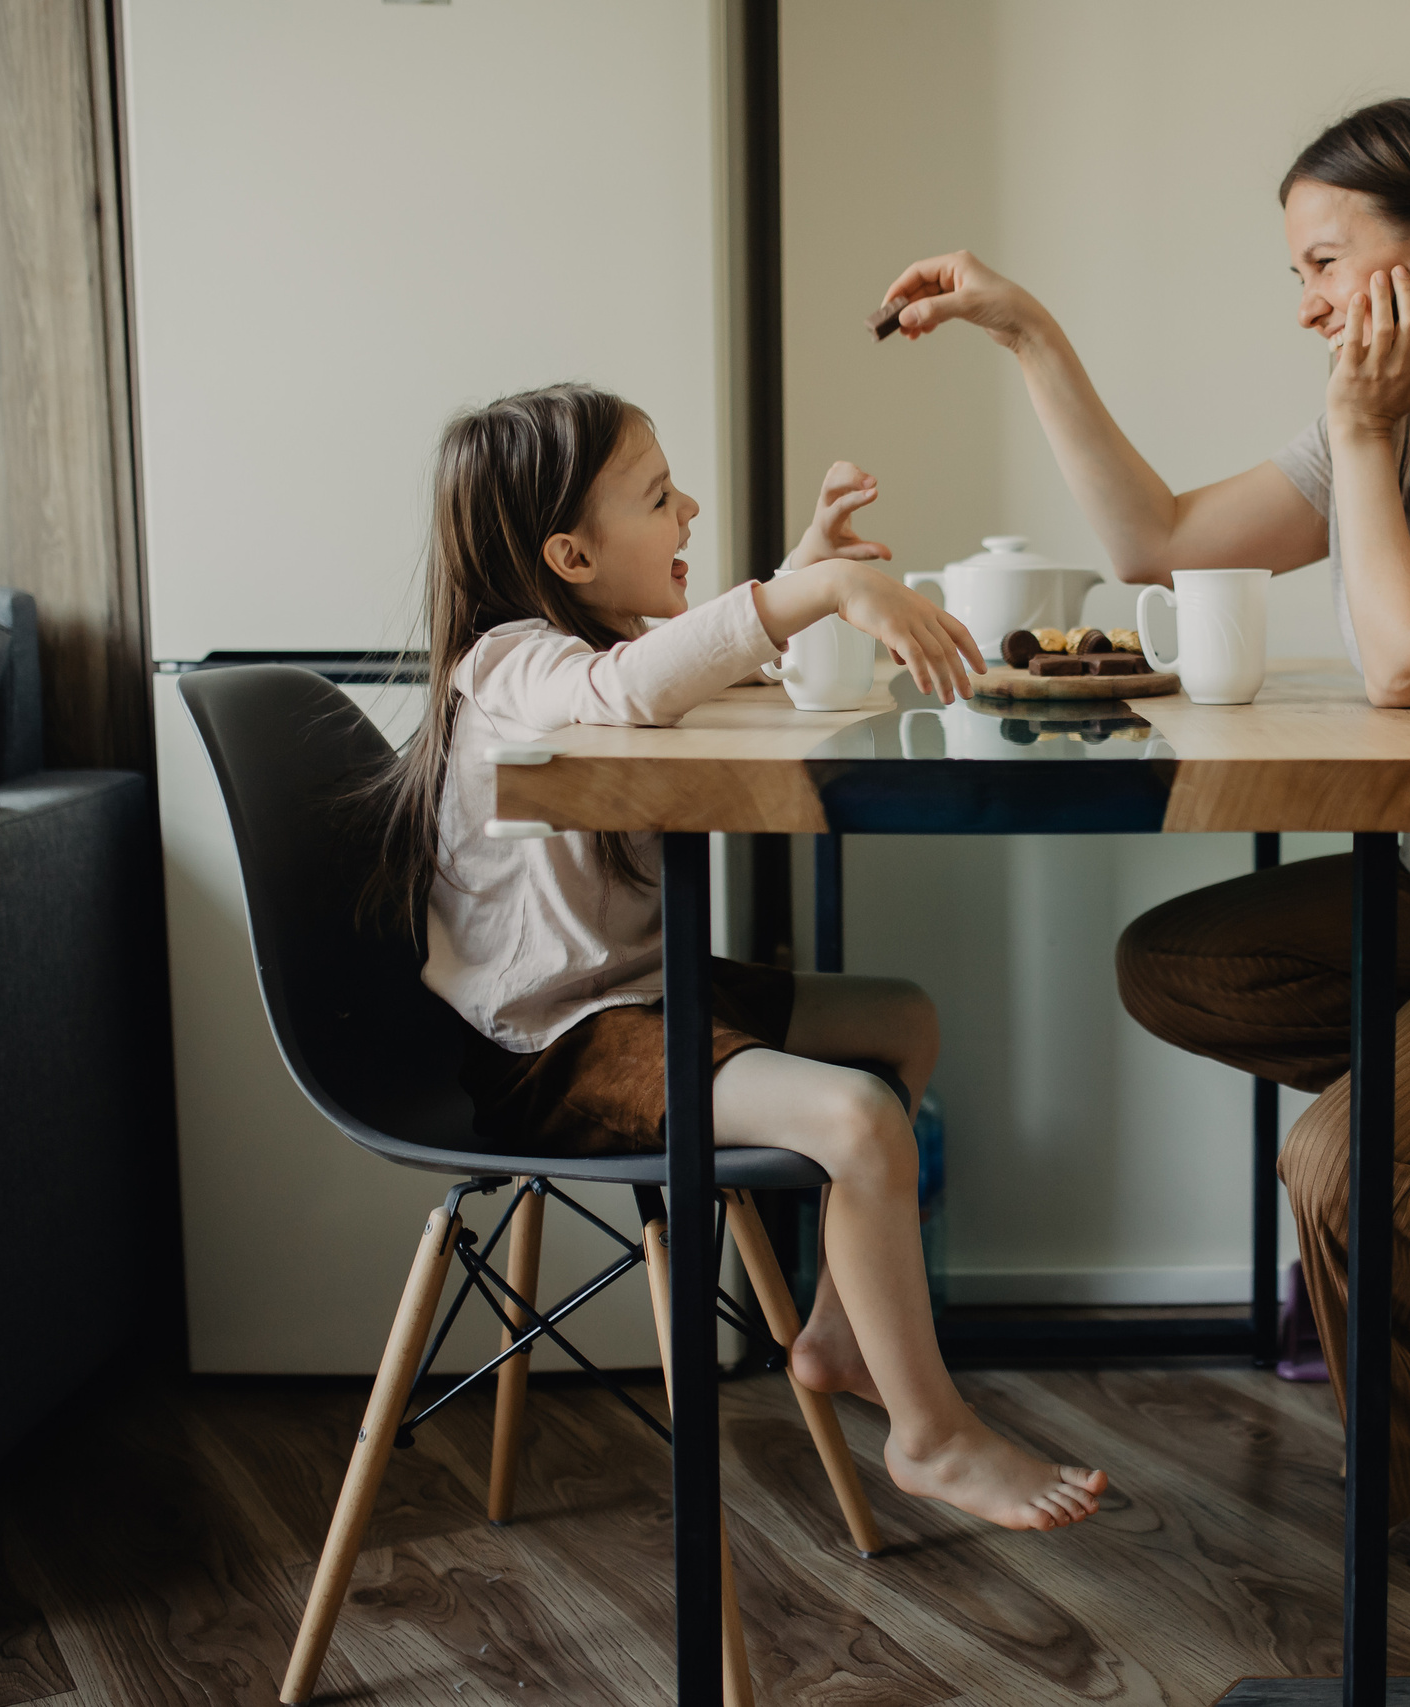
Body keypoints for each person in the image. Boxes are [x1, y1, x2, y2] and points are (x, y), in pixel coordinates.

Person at [874, 99, 1410, 1535]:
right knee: (1176, 963)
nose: (1310, 306)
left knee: (1337, 1156)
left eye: (1325, 261)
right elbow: (1153, 542)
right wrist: (1030, 333)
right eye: (1299, 275)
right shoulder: (1395, 428)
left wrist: (1354, 431)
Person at [366, 382, 1107, 1532]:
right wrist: (816, 589)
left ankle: (838, 1329)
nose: (690, 508)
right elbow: (632, 688)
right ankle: (932, 1436)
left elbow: (696, 659)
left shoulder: (591, 643)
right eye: (660, 497)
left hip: (638, 1002)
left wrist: (809, 569)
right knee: (860, 1117)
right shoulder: (508, 665)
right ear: (568, 553)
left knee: (898, 1018)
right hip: (555, 1049)